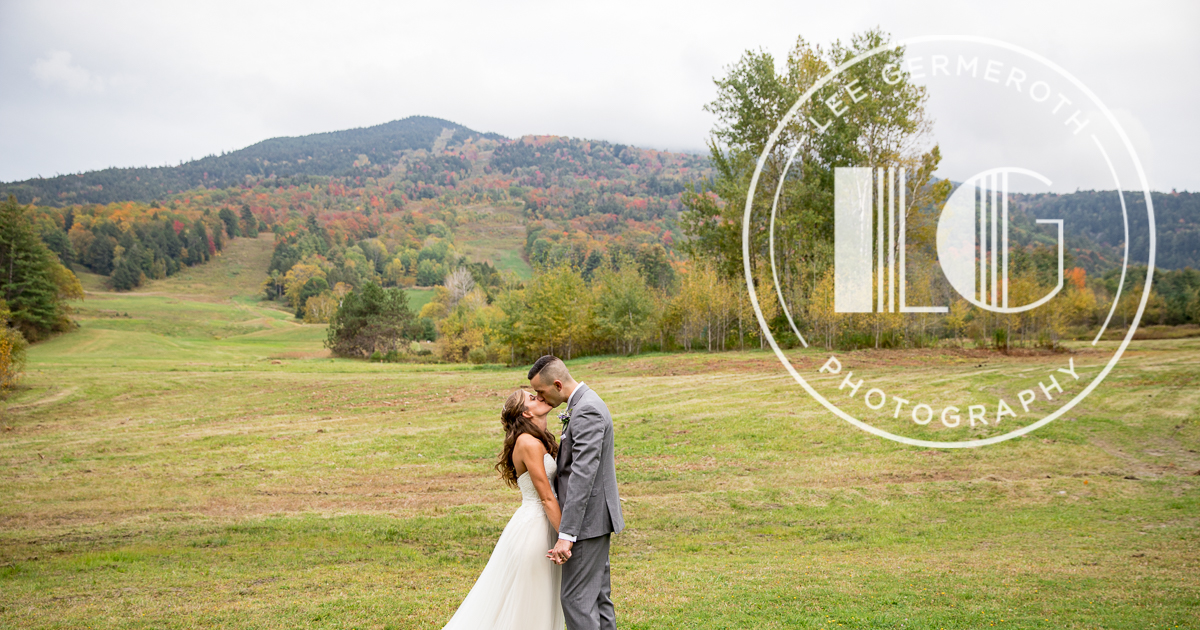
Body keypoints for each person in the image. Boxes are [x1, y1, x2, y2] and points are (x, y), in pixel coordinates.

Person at [440, 389, 566, 630]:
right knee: (531, 603)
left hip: (540, 523)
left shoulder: (537, 439)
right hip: (536, 530)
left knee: (539, 599)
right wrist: (566, 538)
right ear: (526, 413)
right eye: (531, 398)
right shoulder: (528, 443)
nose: (538, 397)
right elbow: (547, 498)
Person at [528, 355, 624, 630]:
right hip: (593, 519)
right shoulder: (584, 404)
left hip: (587, 522)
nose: (539, 397)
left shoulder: (587, 410)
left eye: (541, 392)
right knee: (597, 597)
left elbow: (583, 475)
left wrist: (567, 535)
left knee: (576, 600)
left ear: (557, 384)